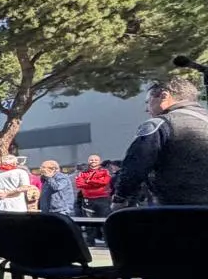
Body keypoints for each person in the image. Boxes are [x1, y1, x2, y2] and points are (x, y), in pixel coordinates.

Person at [115, 75, 208, 205]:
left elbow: (135, 166)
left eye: (148, 102)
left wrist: (120, 199)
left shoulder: (159, 124)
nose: (146, 109)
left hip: (178, 210)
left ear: (164, 96)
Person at [74, 154, 113, 240]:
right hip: (88, 199)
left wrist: (88, 181)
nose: (93, 161)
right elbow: (79, 184)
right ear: (88, 161)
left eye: (96, 160)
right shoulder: (83, 173)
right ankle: (90, 241)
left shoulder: (105, 171)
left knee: (105, 220)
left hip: (103, 199)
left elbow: (104, 182)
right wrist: (95, 182)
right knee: (89, 221)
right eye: (91, 160)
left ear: (99, 161)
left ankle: (108, 241)